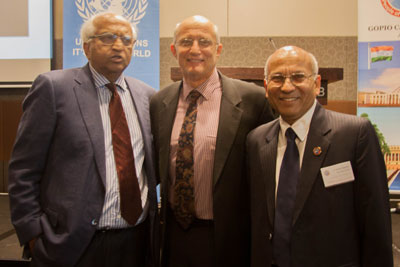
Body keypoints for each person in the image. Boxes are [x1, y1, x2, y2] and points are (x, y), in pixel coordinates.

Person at [8, 12, 159, 267]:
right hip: (72, 246)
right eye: (108, 37)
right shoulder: (54, 88)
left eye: (126, 39)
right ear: (87, 47)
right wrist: (32, 232)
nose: (119, 45)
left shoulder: (147, 96)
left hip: (136, 242)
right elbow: (23, 170)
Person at [246, 45, 393, 267]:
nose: (287, 86)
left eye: (298, 77)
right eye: (277, 78)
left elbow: (376, 224)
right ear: (266, 87)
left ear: (316, 84)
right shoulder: (256, 140)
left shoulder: (354, 135)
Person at [150, 15, 275, 267]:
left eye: (204, 42)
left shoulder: (254, 100)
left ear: (218, 50)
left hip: (228, 238)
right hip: (173, 237)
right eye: (186, 41)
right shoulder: (158, 102)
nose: (195, 49)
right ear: (174, 50)